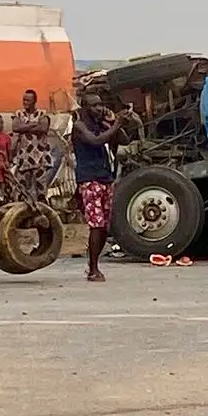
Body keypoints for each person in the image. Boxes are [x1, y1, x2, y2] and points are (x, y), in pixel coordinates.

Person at [72, 92, 125, 282]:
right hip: (89, 179)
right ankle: (93, 268)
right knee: (96, 225)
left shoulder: (101, 125)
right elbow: (95, 141)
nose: (99, 108)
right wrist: (116, 125)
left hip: (104, 177)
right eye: (94, 105)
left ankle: (93, 265)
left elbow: (124, 139)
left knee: (104, 227)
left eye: (100, 104)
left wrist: (114, 123)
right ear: (85, 108)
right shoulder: (79, 126)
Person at [11, 89, 51, 202]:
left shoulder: (42, 113)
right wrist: (33, 124)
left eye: (28, 100)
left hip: (40, 157)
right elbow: (15, 127)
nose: (25, 102)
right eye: (24, 99)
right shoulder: (18, 114)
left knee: (41, 189)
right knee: (22, 188)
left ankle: (42, 209)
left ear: (34, 101)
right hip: (24, 157)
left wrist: (24, 127)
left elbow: (43, 128)